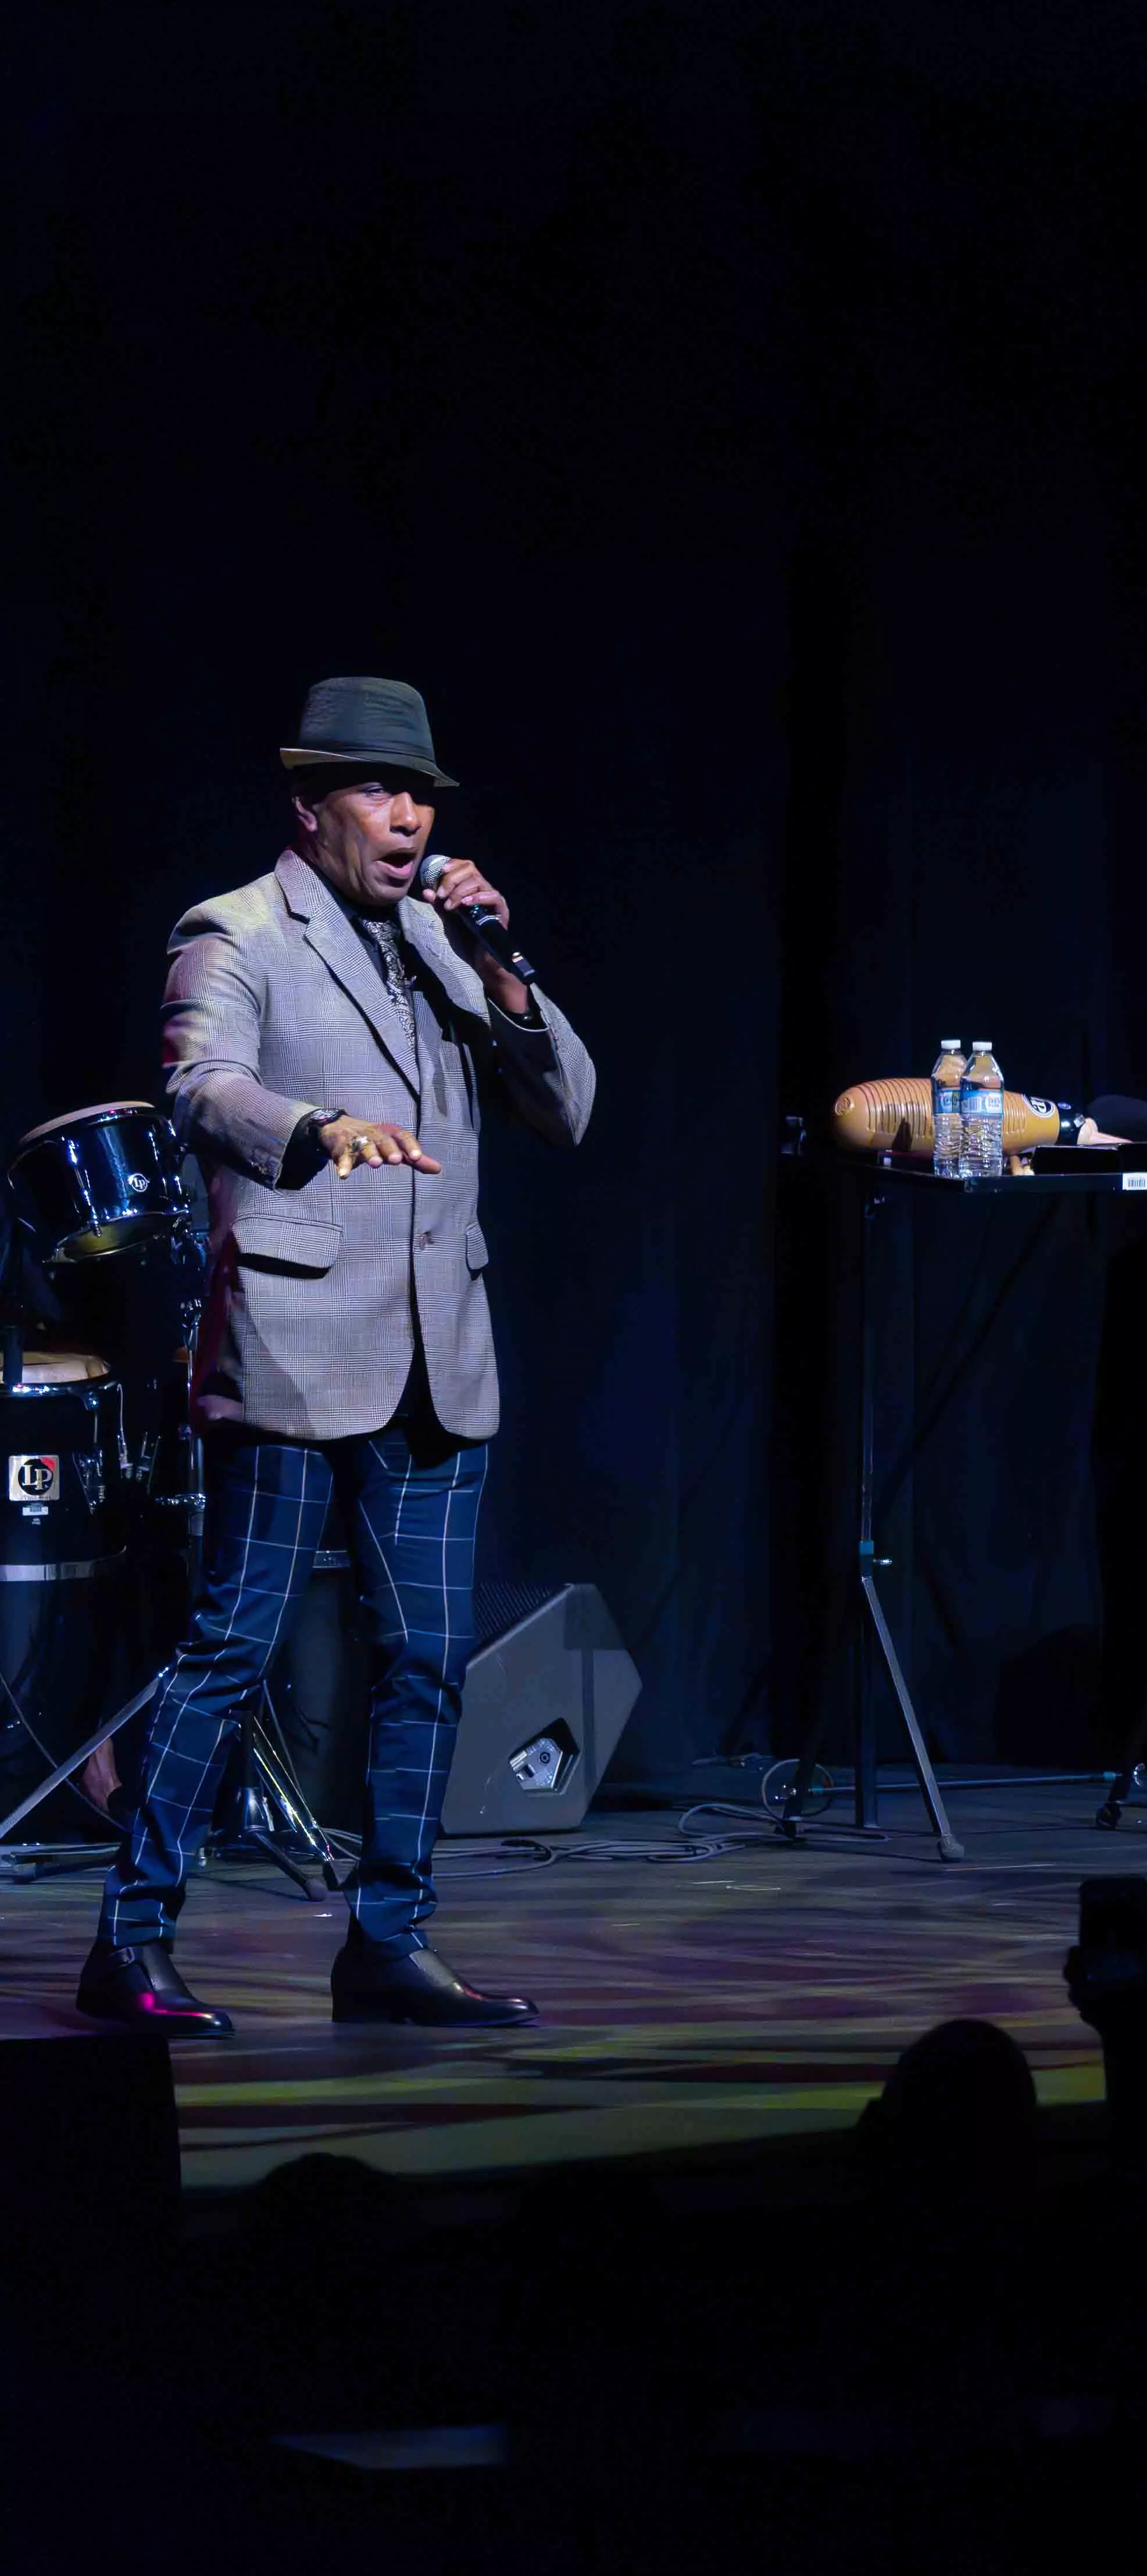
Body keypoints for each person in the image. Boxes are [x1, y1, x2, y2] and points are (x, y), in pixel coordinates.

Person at [77, 677, 596, 2038]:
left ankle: (390, 1942)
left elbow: (571, 1108)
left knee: (426, 1654)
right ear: (310, 809)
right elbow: (199, 1084)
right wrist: (314, 1129)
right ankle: (128, 1939)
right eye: (379, 790)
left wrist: (501, 964)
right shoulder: (236, 929)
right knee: (234, 1643)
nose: (410, 814)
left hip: (437, 1351)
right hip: (298, 1343)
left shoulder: (440, 938)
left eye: (421, 793)